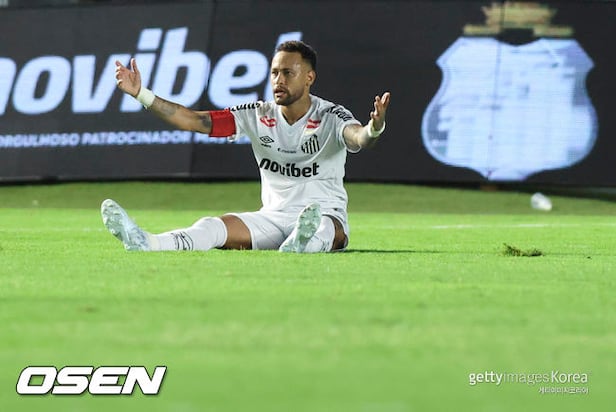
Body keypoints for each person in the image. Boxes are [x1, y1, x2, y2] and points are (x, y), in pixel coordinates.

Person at [102, 40, 390, 253]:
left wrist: (374, 127)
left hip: (325, 215)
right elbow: (194, 120)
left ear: (309, 78)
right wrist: (141, 94)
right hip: (272, 219)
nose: (279, 80)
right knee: (212, 226)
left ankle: (304, 242)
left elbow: (359, 138)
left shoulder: (330, 115)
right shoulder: (256, 115)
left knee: (323, 228)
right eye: (274, 73)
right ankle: (148, 242)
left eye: (288, 73)